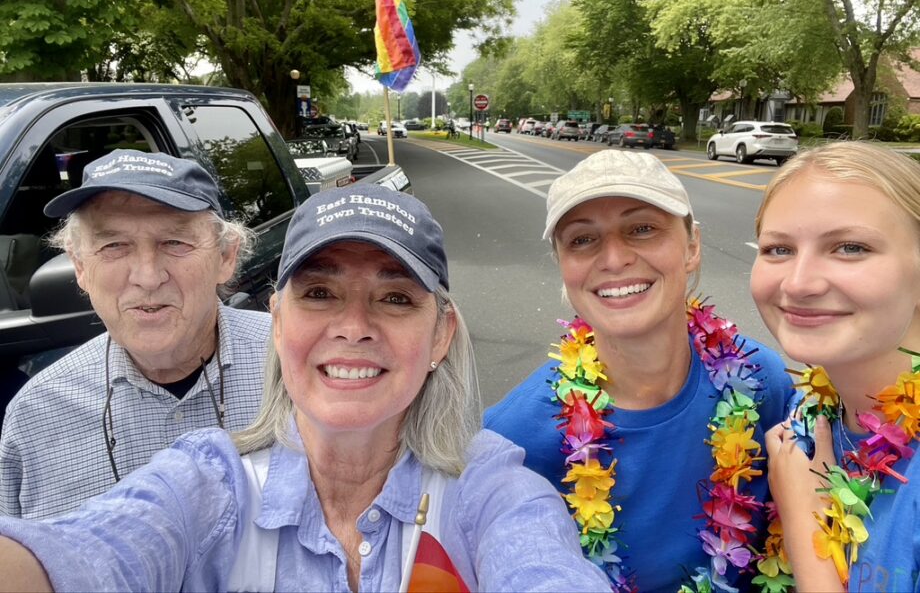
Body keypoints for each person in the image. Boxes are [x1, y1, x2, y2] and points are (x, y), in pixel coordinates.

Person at [0, 184, 611, 592]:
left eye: (395, 298)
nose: (353, 328)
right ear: (276, 321)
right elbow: (84, 553)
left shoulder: (490, 491)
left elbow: (541, 566)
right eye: (319, 293)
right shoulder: (210, 483)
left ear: (441, 335)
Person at [484, 150, 794, 591]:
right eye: (582, 240)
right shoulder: (513, 438)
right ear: (562, 265)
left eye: (642, 229)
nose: (614, 259)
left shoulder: (762, 382)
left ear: (691, 246)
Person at [0, 150, 270, 519]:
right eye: (114, 246)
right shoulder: (35, 418)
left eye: (175, 243)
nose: (147, 276)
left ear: (226, 257)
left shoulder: (298, 368)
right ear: (80, 266)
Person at [754, 142, 920, 592]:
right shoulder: (804, 415)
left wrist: (806, 525)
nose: (799, 282)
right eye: (778, 249)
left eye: (850, 247)